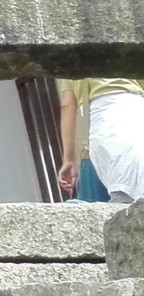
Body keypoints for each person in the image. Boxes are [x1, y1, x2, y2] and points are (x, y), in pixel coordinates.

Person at [58, 76, 144, 204]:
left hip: (106, 122)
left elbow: (67, 105)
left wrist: (69, 159)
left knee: (123, 198)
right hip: (137, 109)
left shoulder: (71, 59)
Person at [57, 79, 112, 202]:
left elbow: (67, 105)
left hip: (97, 148)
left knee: (96, 213)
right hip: (134, 137)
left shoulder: (74, 63)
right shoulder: (132, 62)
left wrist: (69, 159)